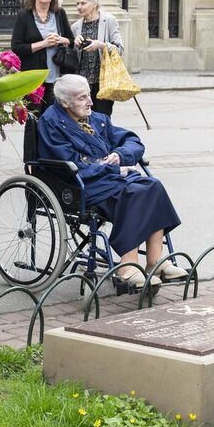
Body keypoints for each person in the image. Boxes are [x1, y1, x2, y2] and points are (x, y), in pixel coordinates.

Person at [37, 74, 188, 290]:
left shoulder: (96, 119)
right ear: (64, 102)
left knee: (153, 186)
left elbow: (133, 141)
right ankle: (127, 267)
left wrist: (121, 154)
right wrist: (112, 167)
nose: (90, 102)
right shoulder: (51, 122)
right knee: (134, 193)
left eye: (89, 96)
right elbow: (69, 162)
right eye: (82, 98)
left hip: (110, 177)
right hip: (81, 183)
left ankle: (155, 263)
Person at [55, 0, 124, 116]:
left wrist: (101, 45)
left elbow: (119, 49)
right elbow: (73, 56)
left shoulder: (109, 21)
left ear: (94, 4)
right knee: (83, 119)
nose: (79, 7)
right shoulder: (76, 27)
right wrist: (74, 44)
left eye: (83, 3)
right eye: (77, 4)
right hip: (82, 84)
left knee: (103, 119)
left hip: (103, 81)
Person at [11, 0, 75, 112]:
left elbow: (71, 41)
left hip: (56, 76)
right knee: (33, 119)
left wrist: (61, 40)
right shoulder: (24, 15)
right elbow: (16, 47)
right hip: (33, 77)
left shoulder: (59, 13)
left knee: (53, 119)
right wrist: (44, 43)